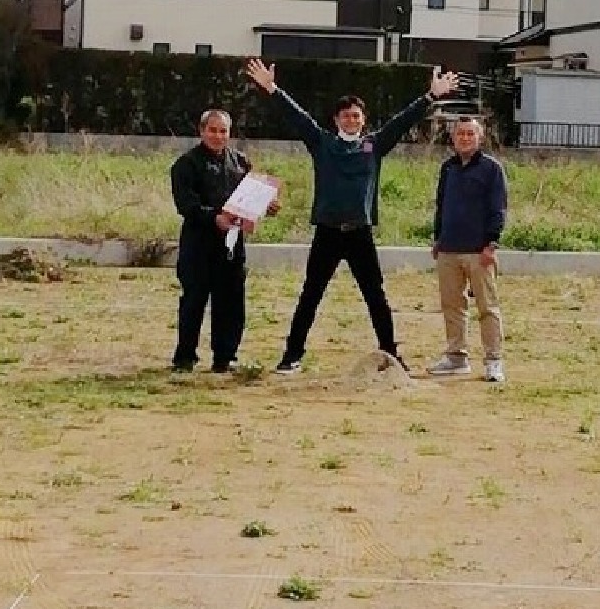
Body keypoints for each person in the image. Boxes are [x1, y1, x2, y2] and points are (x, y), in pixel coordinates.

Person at [245, 57, 459, 372]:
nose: (351, 120)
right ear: (336, 120)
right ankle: (292, 355)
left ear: (363, 120)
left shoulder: (375, 145)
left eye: (356, 116)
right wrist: (272, 89)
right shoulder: (322, 143)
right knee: (311, 295)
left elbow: (401, 121)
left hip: (360, 232)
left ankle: (390, 353)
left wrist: (431, 95)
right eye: (346, 116)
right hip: (328, 232)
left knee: (376, 296)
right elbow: (298, 118)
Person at [170, 108, 257, 373]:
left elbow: (250, 197)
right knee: (194, 300)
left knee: (231, 301)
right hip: (199, 243)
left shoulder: (241, 162)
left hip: (232, 244)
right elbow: (185, 204)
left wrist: (265, 205)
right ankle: (185, 357)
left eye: (223, 131)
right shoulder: (185, 164)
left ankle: (225, 356)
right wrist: (214, 218)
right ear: (201, 131)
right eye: (213, 130)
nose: (218, 136)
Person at [429, 116, 508, 381]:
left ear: (480, 137)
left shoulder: (491, 169)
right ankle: (456, 356)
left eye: (470, 134)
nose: (464, 138)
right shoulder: (447, 168)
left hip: (479, 251)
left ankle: (493, 361)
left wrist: (491, 243)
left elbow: (498, 209)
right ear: (453, 138)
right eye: (460, 134)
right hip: (449, 249)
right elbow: (441, 206)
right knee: (452, 305)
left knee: (487, 307)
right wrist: (438, 239)